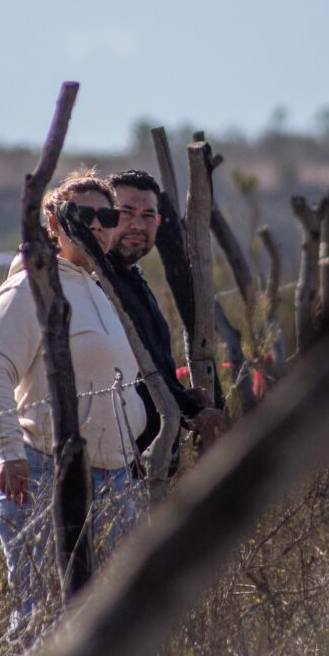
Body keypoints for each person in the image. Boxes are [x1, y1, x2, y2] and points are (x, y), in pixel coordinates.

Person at [0, 170, 147, 623]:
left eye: (106, 216)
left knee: (112, 617)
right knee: (43, 616)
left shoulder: (101, 289)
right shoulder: (31, 288)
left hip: (115, 480)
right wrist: (9, 452)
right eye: (82, 215)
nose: (96, 225)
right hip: (40, 472)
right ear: (53, 223)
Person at [106, 169, 226, 468]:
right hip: (108, 466)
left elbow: (150, 367)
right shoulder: (93, 285)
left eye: (148, 215)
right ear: (102, 217)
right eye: (126, 212)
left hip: (143, 465)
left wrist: (186, 405)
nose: (138, 224)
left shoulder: (134, 281)